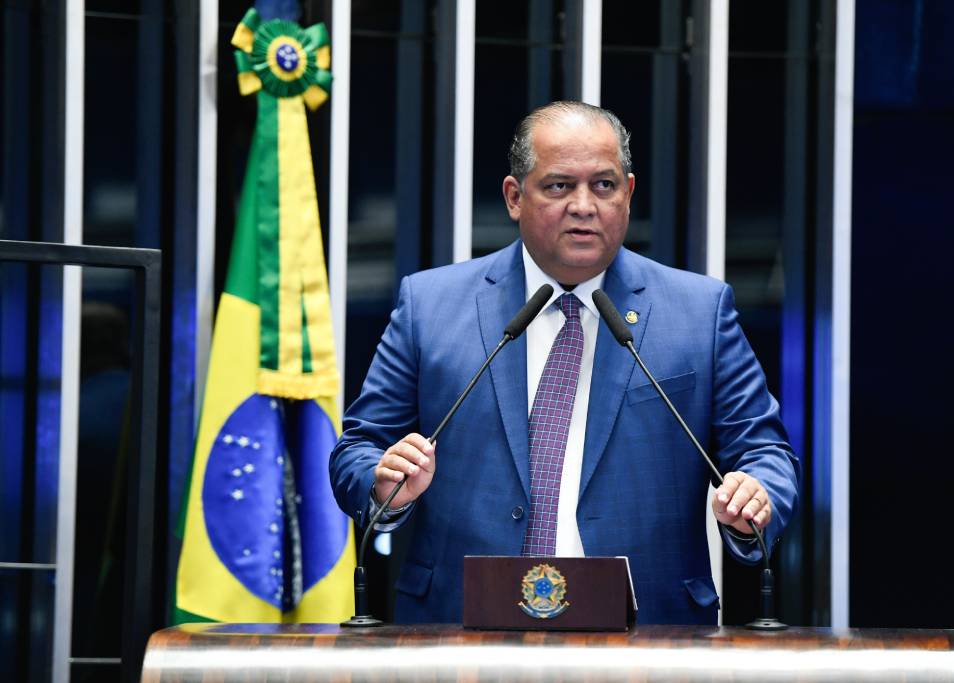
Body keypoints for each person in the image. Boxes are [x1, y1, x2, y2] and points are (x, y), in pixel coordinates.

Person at [330, 101, 799, 624]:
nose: (584, 205)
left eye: (604, 185)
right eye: (558, 187)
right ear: (514, 197)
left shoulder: (699, 312)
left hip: (650, 632)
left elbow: (765, 454)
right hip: (460, 624)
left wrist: (755, 498)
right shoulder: (431, 305)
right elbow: (359, 447)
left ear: (629, 193)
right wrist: (383, 480)